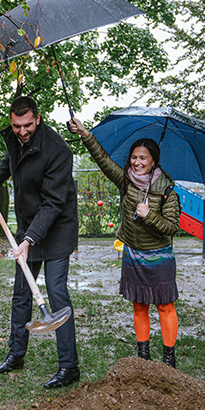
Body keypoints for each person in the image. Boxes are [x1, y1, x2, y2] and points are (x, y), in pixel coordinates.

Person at [0, 96, 80, 389]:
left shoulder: (58, 149)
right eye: (16, 126)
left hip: (57, 227)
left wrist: (28, 240)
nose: (22, 131)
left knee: (57, 292)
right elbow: (10, 161)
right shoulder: (16, 138)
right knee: (21, 294)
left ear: (37, 118)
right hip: (29, 226)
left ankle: (68, 366)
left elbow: (53, 203)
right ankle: (16, 354)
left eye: (27, 125)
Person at [70, 118, 181, 367]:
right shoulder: (126, 181)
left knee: (165, 306)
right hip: (133, 252)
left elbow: (171, 228)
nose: (137, 162)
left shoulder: (167, 191)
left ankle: (168, 360)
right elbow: (103, 160)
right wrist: (86, 134)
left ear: (154, 160)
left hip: (159, 255)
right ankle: (143, 356)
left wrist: (149, 215)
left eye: (143, 158)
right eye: (134, 157)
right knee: (139, 306)